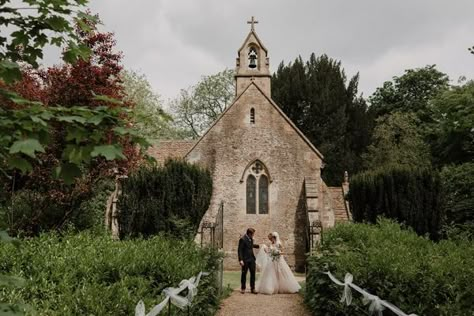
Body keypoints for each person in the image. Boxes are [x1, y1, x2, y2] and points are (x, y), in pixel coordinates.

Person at [238, 228, 260, 294]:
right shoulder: (242, 239)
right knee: (244, 274)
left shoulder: (251, 239)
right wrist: (241, 260)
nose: (253, 235)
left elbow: (250, 246)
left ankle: (253, 288)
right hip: (245, 259)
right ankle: (243, 288)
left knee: (253, 274)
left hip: (252, 259)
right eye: (253, 234)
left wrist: (259, 246)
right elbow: (240, 250)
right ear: (249, 234)